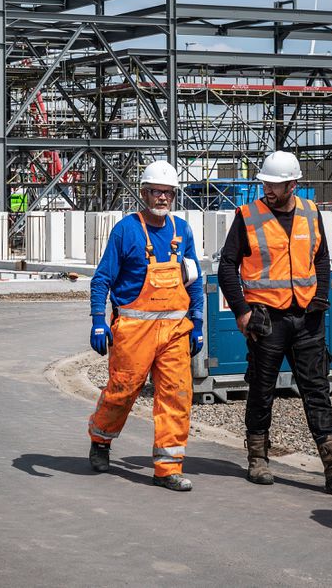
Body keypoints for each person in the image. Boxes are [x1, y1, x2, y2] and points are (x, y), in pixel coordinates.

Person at [218, 150, 332, 492]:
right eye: (266, 184)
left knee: (316, 389)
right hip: (267, 320)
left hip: (307, 318)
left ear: (293, 184)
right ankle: (258, 459)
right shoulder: (248, 216)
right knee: (261, 389)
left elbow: (321, 257)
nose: (268, 190)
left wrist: (319, 299)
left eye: (275, 185)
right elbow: (227, 266)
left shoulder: (310, 213)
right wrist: (242, 310)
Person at [86, 160, 205, 491]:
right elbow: (102, 279)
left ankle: (168, 467)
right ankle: (101, 439)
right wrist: (98, 320)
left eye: (168, 193)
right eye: (156, 191)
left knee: (176, 395)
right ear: (144, 193)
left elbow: (195, 280)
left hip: (175, 331)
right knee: (122, 392)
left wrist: (197, 322)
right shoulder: (126, 230)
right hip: (133, 331)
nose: (162, 198)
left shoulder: (183, 231)